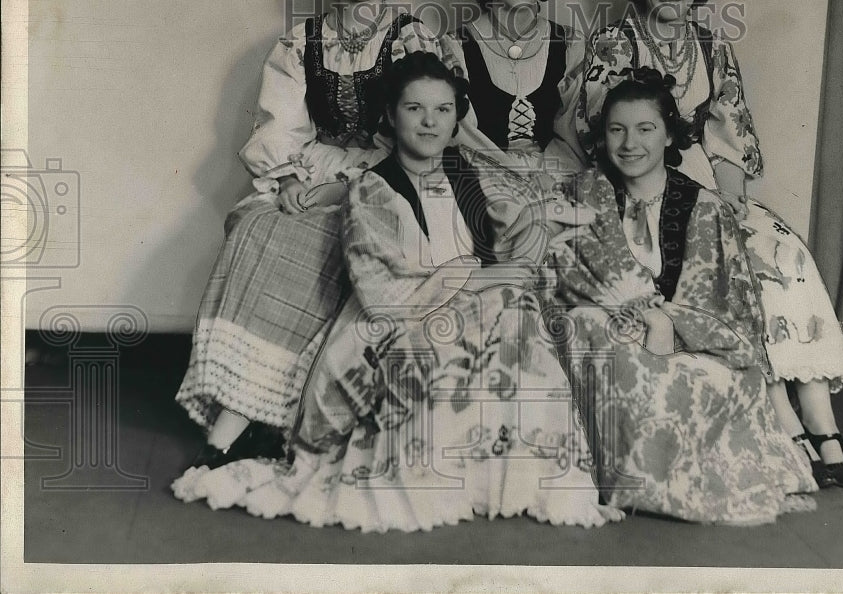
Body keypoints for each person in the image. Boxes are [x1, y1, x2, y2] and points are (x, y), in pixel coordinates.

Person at [174, 52, 622, 532]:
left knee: (520, 313)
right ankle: (435, 466)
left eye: (443, 110)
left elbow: (513, 228)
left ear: (456, 120)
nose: (429, 122)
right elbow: (385, 291)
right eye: (415, 109)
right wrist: (484, 277)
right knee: (498, 307)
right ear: (390, 114)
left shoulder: (466, 173)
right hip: (383, 328)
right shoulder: (373, 187)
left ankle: (518, 478)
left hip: (467, 309)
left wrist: (531, 232)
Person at [174, 0, 472, 471]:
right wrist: (287, 178)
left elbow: (421, 135)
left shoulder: (412, 39)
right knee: (256, 225)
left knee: (315, 244)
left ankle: (269, 419)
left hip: (392, 181)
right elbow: (281, 120)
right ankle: (241, 410)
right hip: (316, 168)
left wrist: (348, 189)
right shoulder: (302, 40)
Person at [576, 0, 843, 489]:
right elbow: (609, 139)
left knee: (777, 251)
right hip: (640, 186)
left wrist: (733, 202)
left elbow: (727, 135)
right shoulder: (614, 44)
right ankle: (780, 424)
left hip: (706, 185)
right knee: (725, 268)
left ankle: (823, 424)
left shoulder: (712, 45)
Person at [544, 73, 818, 524]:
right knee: (597, 338)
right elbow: (559, 274)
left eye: (645, 129)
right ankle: (632, 484)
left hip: (690, 339)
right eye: (617, 129)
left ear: (669, 134)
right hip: (606, 333)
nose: (630, 143)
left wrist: (667, 321)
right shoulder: (581, 194)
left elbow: (730, 306)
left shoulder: (704, 205)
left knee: (706, 380)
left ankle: (680, 483)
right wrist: (628, 314)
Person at [444, 0, 587, 179]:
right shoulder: (454, 46)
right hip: (483, 181)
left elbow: (572, 134)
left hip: (554, 179)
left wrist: (549, 180)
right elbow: (463, 136)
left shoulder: (570, 44)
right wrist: (513, 181)